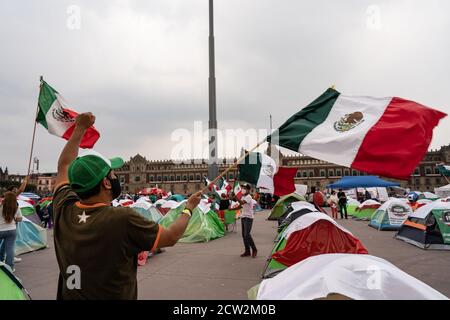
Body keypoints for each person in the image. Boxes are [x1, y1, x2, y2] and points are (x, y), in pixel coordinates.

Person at [51, 113, 202, 300]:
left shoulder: (63, 209)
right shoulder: (122, 218)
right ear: (106, 183)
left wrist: (79, 128)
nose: (117, 178)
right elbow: (171, 237)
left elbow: (64, 165)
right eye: (113, 175)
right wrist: (188, 208)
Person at [0, 192, 23, 271]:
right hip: (12, 229)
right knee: (10, 249)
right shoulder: (16, 207)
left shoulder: (1, 206)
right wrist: (14, 219)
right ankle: (10, 268)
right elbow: (20, 219)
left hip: (0, 229)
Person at [234, 184, 257, 258]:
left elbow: (241, 203)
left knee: (247, 234)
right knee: (244, 235)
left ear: (248, 190)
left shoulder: (249, 197)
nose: (243, 190)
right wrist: (232, 209)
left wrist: (237, 198)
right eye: (242, 188)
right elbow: (240, 206)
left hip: (248, 218)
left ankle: (254, 249)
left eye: (244, 188)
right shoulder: (243, 197)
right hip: (243, 217)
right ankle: (247, 251)